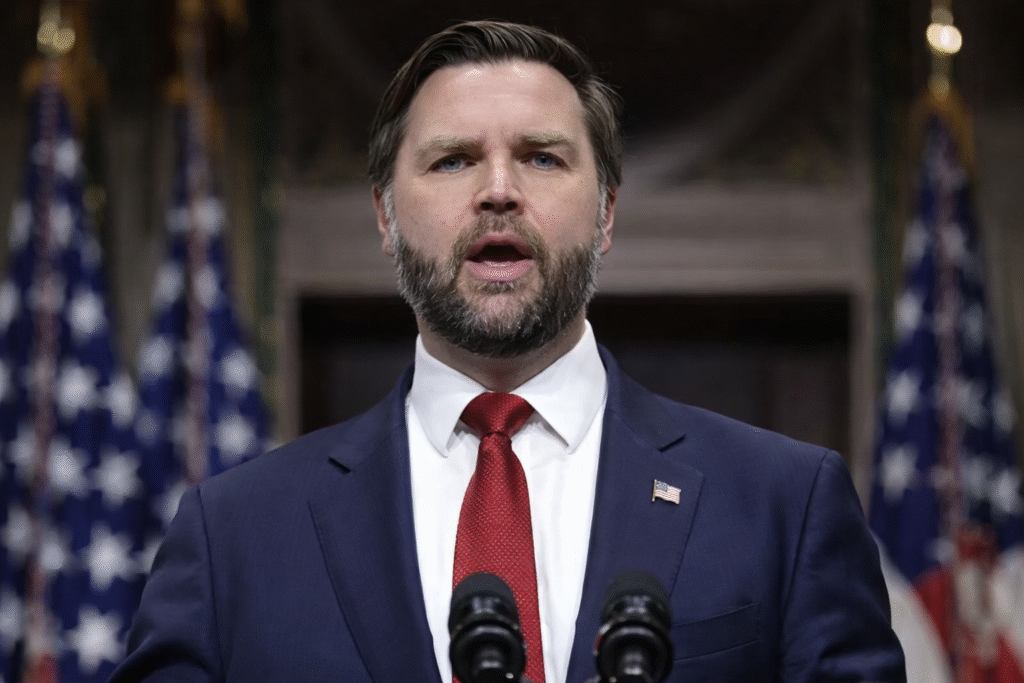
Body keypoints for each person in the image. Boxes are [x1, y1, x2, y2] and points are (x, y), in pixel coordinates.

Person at [110, 20, 906, 683]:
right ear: (386, 217)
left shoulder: (784, 506)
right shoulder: (235, 536)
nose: (498, 189)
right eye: (453, 159)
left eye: (542, 157)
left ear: (605, 215)